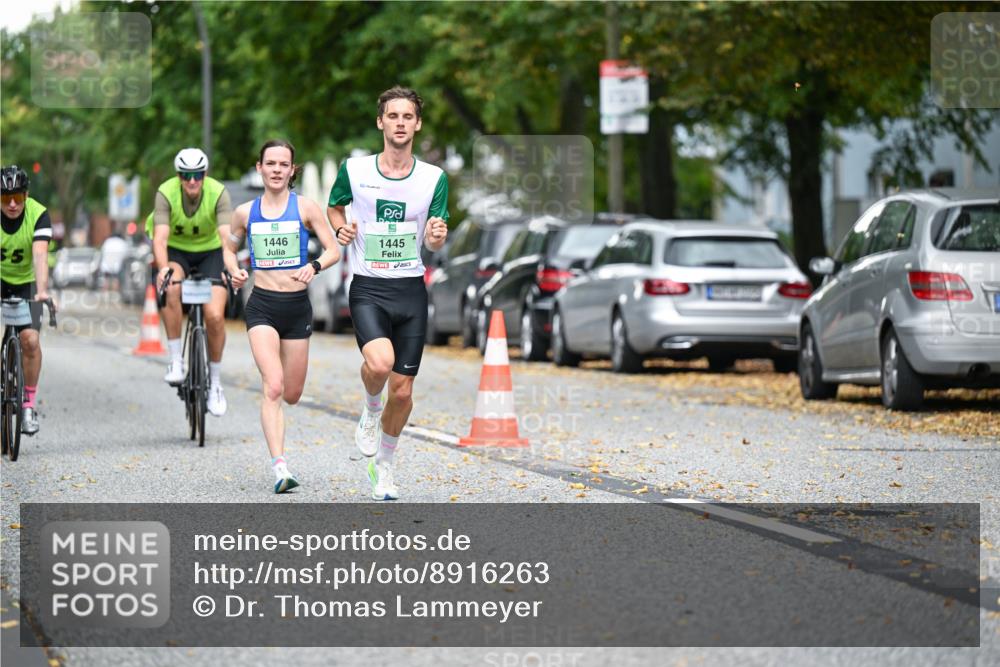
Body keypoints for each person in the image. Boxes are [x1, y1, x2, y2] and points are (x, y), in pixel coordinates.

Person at [327, 86, 449, 501]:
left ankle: (385, 466)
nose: (400, 123)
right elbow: (335, 208)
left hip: (411, 289)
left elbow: (434, 241)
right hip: (368, 286)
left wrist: (435, 236)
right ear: (381, 122)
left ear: (417, 123)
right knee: (379, 366)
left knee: (405, 390)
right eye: (392, 116)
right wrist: (340, 229)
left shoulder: (434, 178)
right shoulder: (355, 170)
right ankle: (369, 409)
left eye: (407, 117)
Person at [224, 139, 339, 494]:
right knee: (272, 385)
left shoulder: (305, 208)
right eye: (270, 163)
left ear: (292, 170)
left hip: (296, 308)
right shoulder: (245, 213)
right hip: (261, 306)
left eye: (283, 164)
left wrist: (314, 266)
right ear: (259, 168)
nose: (276, 170)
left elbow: (334, 249)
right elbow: (228, 249)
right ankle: (280, 468)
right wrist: (234, 270)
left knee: (292, 393)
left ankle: (280, 456)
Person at [153, 148, 234, 416]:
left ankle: (216, 384)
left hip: (211, 253)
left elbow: (226, 236)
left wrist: (230, 266)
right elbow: (161, 238)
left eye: (197, 175)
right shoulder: (166, 193)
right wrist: (163, 268)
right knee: (172, 287)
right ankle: (176, 360)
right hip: (178, 253)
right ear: (179, 176)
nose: (192, 181)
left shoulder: (218, 192)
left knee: (214, 317)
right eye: (186, 175)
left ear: (204, 174)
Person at [0, 165, 54, 435]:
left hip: (29, 282)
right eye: (5, 198)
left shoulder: (38, 213)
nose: (11, 204)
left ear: (26, 195)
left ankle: (28, 406)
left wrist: (42, 291)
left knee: (30, 340)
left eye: (18, 198)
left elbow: (40, 255)